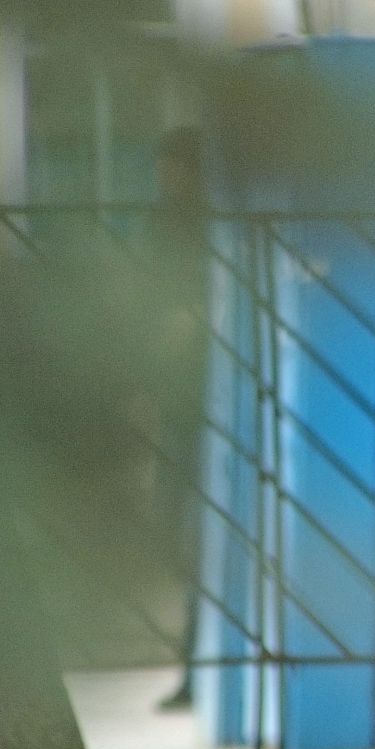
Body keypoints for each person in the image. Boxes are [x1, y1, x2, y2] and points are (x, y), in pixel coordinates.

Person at [150, 126, 211, 712]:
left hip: (209, 407)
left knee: (198, 535)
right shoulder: (165, 223)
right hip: (179, 406)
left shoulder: (206, 228)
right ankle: (194, 665)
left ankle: (199, 666)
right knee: (177, 530)